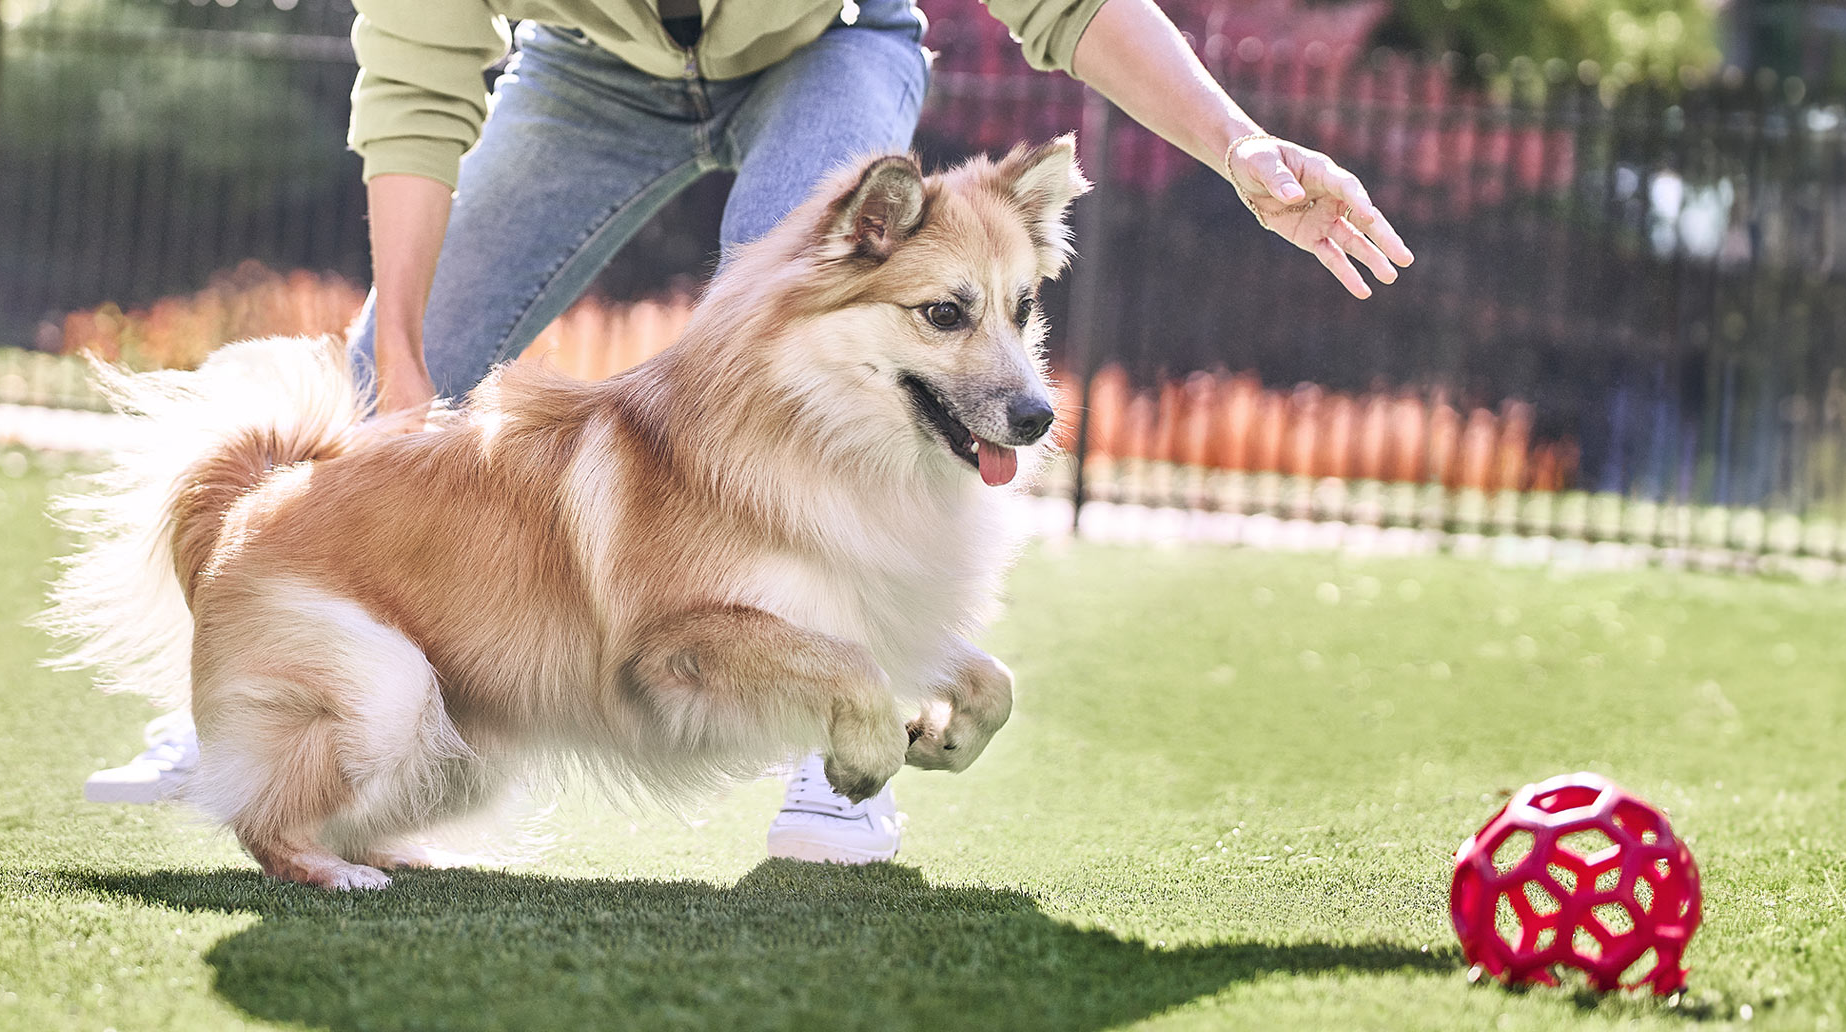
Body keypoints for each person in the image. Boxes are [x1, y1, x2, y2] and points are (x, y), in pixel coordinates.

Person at [85, 0, 1414, 864]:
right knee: (389, 382)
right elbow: (417, 85)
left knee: (782, 332)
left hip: (829, 42)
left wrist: (1239, 145)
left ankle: (840, 757)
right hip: (588, 68)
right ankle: (264, 711)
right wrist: (409, 364)